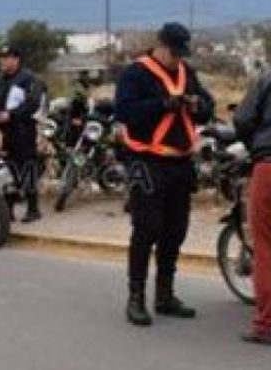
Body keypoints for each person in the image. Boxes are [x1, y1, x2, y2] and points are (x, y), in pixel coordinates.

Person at [115, 22, 214, 327]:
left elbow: (208, 107)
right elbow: (126, 113)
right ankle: (135, 298)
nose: (177, 59)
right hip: (147, 162)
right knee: (146, 229)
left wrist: (197, 105)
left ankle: (165, 295)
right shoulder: (136, 74)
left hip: (180, 163)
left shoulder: (187, 72)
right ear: (160, 46)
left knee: (175, 231)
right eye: (173, 52)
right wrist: (164, 104)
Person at [233, 71, 271, 345]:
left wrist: (255, 146)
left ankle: (267, 325)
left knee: (266, 247)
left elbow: (243, 119)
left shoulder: (266, 78)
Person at [0, 46, 45, 223]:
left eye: (6, 58)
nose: (3, 61)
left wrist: (12, 114)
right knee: (8, 172)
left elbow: (33, 103)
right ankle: (8, 211)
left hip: (24, 131)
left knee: (27, 169)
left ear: (16, 59)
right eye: (1, 58)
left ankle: (33, 209)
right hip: (7, 134)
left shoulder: (27, 78)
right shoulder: (1, 79)